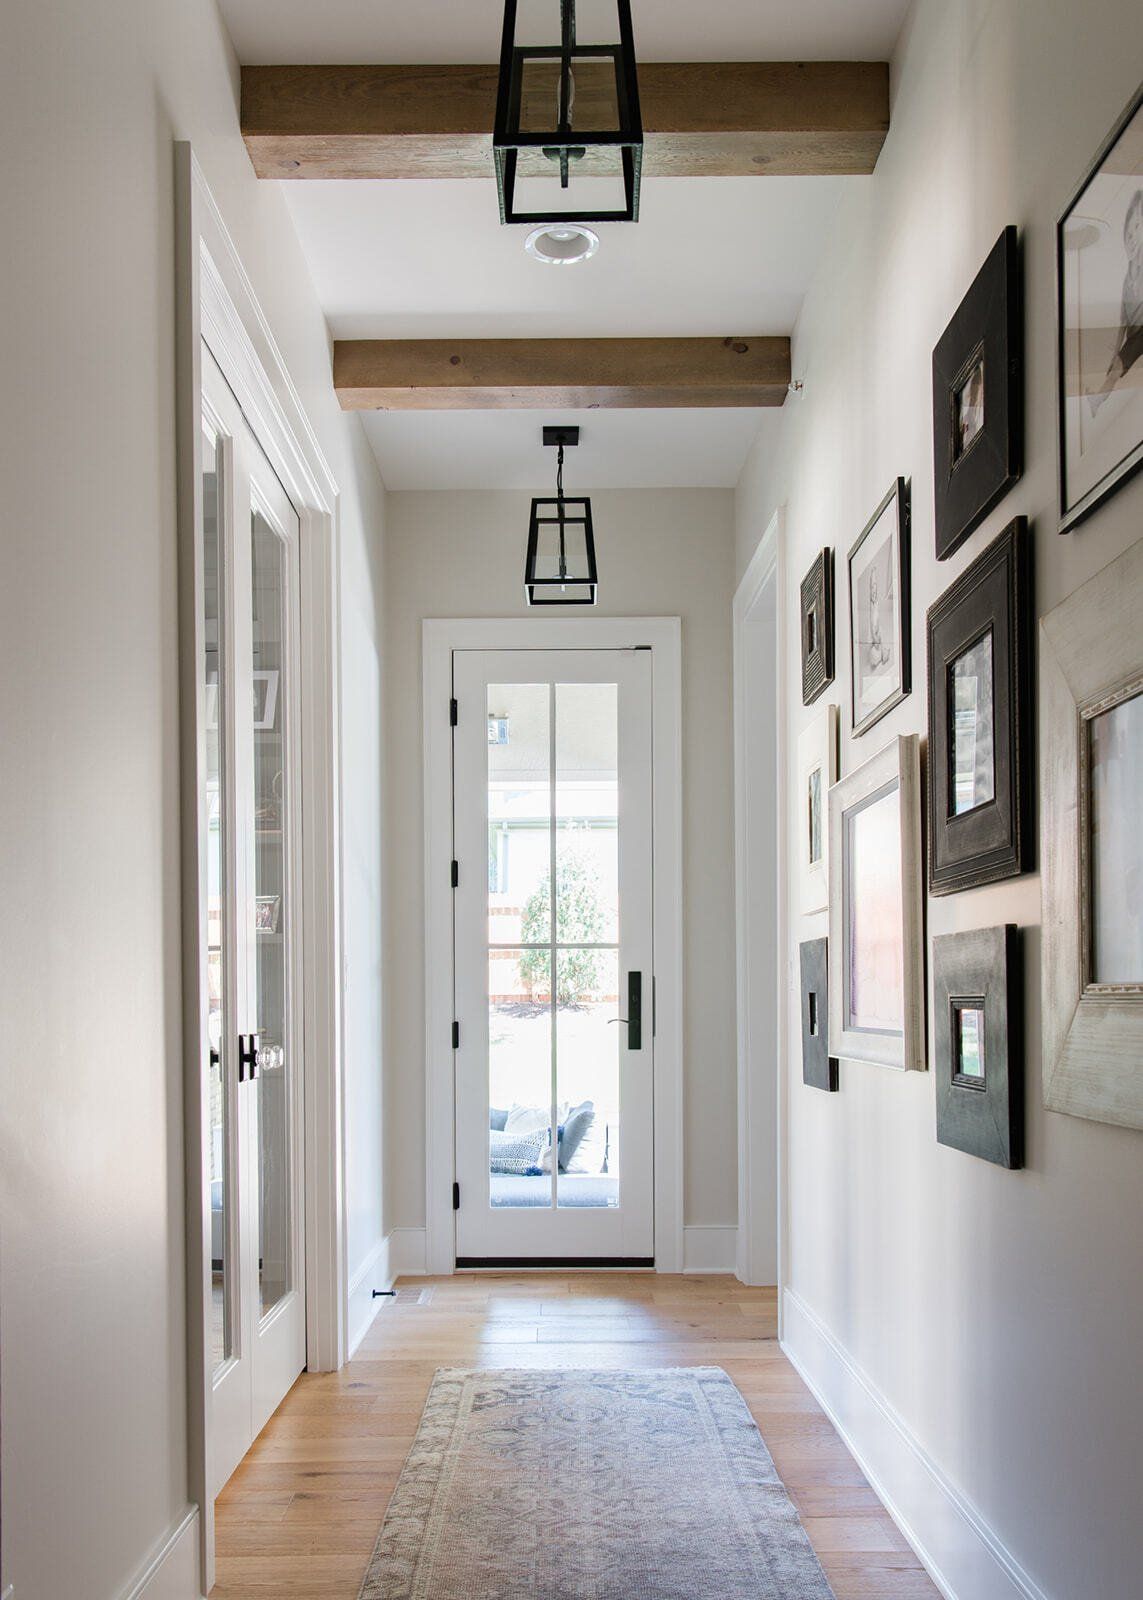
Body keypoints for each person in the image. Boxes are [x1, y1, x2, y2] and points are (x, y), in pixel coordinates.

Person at [1090, 187, 1143, 415]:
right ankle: (1097, 401)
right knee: (1115, 369)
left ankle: (1097, 400)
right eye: (1129, 231)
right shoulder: (1126, 281)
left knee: (1117, 369)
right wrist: (1114, 355)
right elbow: (1122, 322)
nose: (1132, 237)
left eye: (1139, 228)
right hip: (1135, 335)